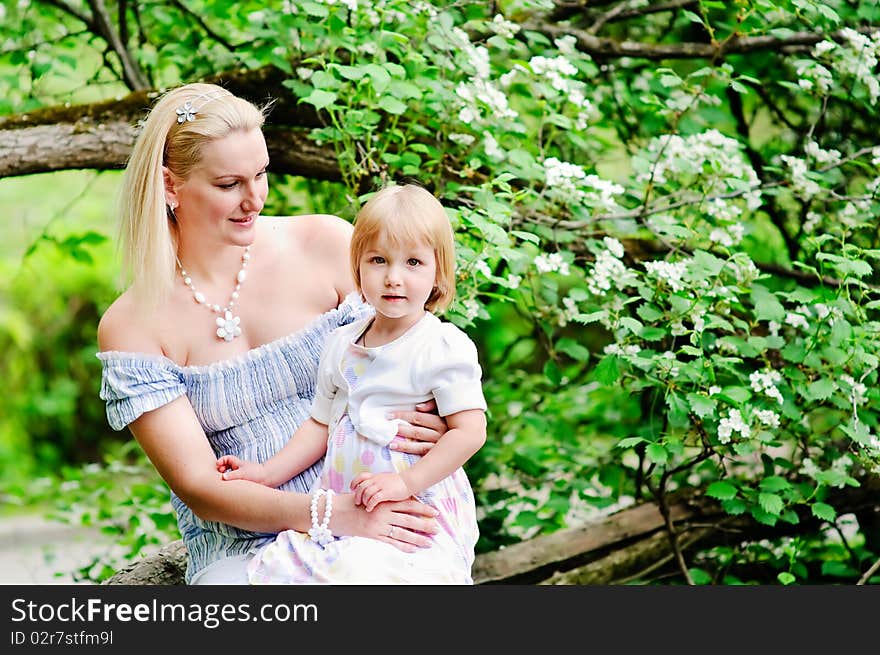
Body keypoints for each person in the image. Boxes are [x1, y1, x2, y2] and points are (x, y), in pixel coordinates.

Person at [96, 82, 449, 585]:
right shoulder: (132, 325)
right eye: (228, 184)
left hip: (381, 503)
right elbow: (199, 486)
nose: (254, 198)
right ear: (170, 186)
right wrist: (334, 514)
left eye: (261, 173)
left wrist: (440, 419)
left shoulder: (325, 244)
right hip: (245, 542)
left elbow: (423, 354)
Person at [216, 183, 487, 584]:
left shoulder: (442, 346)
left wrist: (404, 482)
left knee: (373, 575)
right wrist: (267, 474)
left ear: (438, 273)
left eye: (413, 263)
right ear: (357, 266)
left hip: (415, 505)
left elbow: (470, 433)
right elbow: (320, 425)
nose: (394, 278)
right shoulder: (343, 342)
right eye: (379, 260)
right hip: (349, 505)